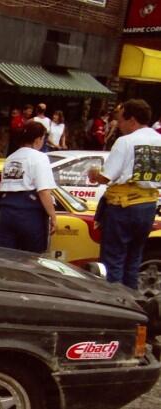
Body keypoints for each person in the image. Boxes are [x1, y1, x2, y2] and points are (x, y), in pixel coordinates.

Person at [88, 99, 161, 289]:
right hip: (148, 205)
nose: (119, 126)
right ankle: (131, 303)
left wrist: (95, 174)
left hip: (123, 206)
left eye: (121, 121)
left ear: (132, 120)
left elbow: (107, 176)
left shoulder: (125, 141)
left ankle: (113, 304)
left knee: (113, 259)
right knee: (133, 259)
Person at [0, 122, 58, 253]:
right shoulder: (40, 157)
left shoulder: (10, 158)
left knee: (4, 258)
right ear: (37, 139)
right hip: (29, 213)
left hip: (6, 212)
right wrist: (53, 216)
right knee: (31, 260)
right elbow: (43, 191)